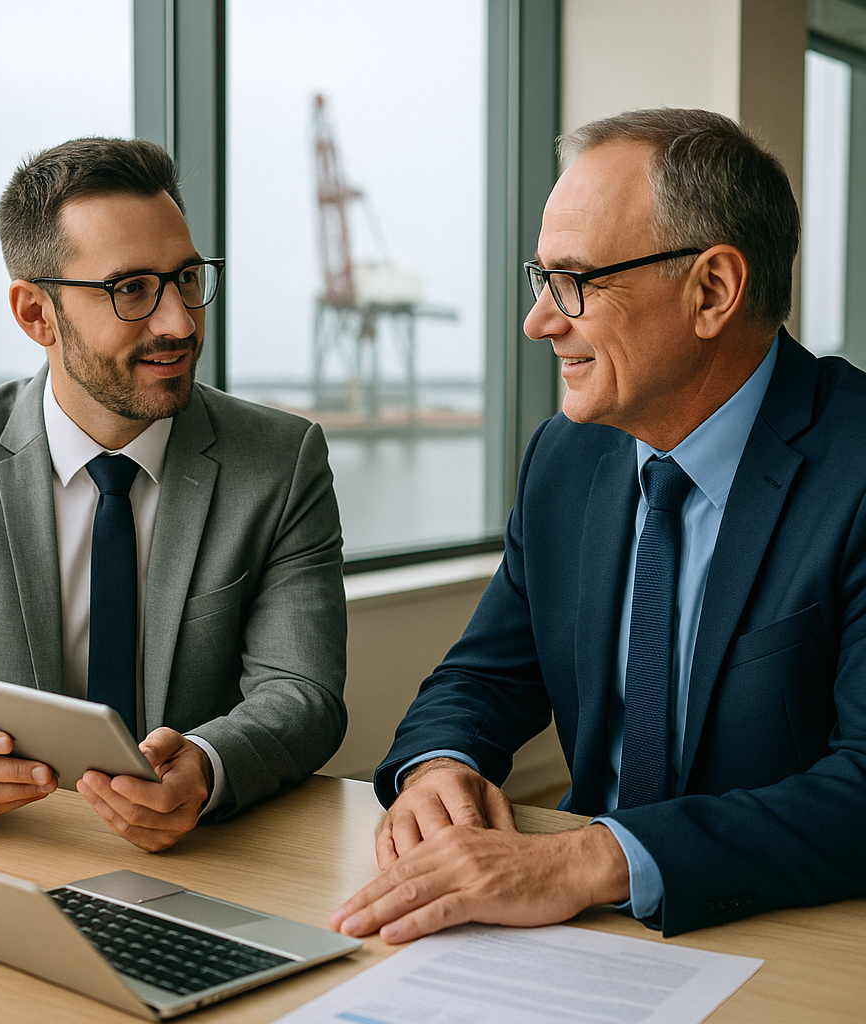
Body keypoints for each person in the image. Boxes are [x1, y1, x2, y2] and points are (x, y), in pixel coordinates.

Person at [331, 107, 866, 942]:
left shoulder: (858, 467)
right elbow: (484, 677)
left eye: (574, 281)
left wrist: (588, 860)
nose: (539, 321)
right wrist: (441, 766)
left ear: (712, 291)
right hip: (575, 941)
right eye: (538, 279)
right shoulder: (565, 458)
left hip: (786, 939)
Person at [0, 137, 347, 852]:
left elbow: (304, 694)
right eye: (131, 289)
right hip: (17, 850)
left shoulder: (281, 461)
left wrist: (206, 766)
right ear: (35, 315)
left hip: (210, 858)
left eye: (186, 278)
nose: (179, 322)